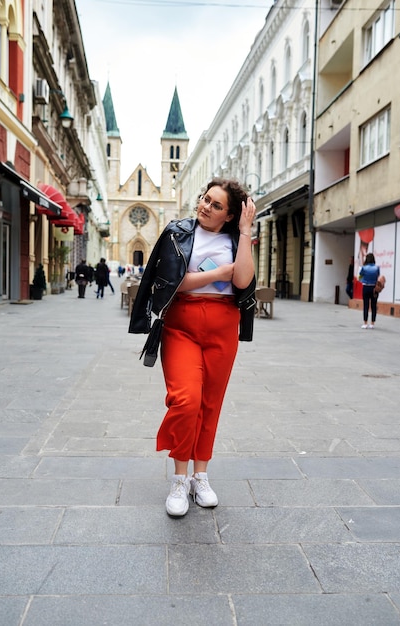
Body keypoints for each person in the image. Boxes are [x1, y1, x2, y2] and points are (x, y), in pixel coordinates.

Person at [129, 178, 256, 517]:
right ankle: (179, 478)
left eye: (216, 205)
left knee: (210, 404)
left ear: (229, 215)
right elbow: (173, 280)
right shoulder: (177, 232)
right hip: (181, 325)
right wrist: (222, 272)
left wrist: (245, 232)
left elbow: (243, 281)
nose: (205, 206)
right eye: (205, 199)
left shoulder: (236, 238)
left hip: (223, 327)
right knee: (186, 400)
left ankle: (201, 475)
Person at [358, 252, 380, 329]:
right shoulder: (377, 268)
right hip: (374, 288)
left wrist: (363, 280)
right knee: (374, 305)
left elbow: (360, 277)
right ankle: (372, 323)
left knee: (366, 305)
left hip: (366, 287)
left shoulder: (364, 268)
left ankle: (365, 323)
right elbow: (378, 277)